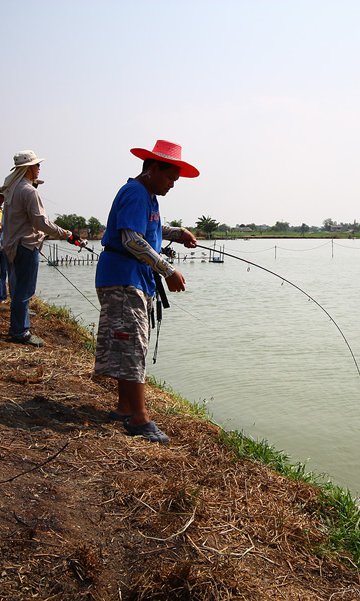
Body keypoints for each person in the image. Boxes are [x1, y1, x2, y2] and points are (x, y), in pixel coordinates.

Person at [94, 140, 199, 443]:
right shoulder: (136, 193)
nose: (172, 185)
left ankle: (124, 408)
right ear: (153, 169)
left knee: (129, 343)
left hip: (134, 279)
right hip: (123, 279)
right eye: (170, 178)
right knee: (133, 346)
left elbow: (151, 230)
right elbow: (130, 239)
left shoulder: (148, 195)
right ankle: (139, 419)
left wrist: (177, 234)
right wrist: (167, 270)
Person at [1, 150, 81, 347]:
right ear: (29, 168)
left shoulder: (12, 189)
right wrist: (66, 234)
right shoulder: (29, 191)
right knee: (25, 290)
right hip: (26, 246)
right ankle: (21, 332)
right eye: (37, 165)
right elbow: (40, 223)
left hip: (12, 244)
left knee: (17, 287)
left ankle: (18, 327)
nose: (39, 168)